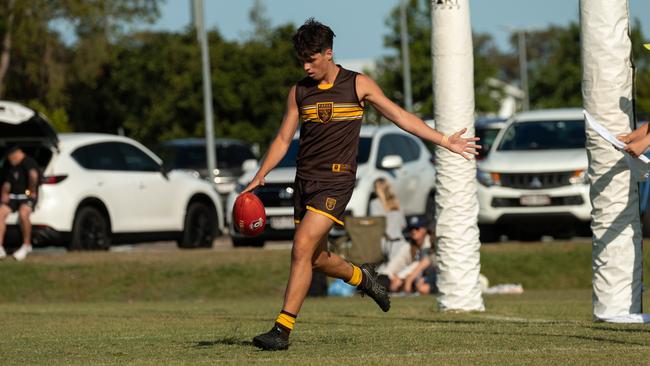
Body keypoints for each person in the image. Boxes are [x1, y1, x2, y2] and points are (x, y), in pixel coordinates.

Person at [242, 18, 480, 351]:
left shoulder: (358, 85)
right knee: (316, 258)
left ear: (329, 53)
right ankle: (363, 277)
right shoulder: (299, 92)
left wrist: (444, 140)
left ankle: (281, 330)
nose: (307, 66)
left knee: (301, 246)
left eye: (312, 59)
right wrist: (261, 173)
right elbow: (284, 138)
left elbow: (399, 116)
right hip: (304, 181)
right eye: (302, 61)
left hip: (336, 180)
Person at [0, 147, 41, 261]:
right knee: (1, 213)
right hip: (13, 197)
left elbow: (33, 175)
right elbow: (7, 182)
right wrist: (4, 193)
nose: (10, 160)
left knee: (23, 214)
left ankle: (26, 245)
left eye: (11, 157)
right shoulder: (10, 165)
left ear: (18, 154)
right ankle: (0, 247)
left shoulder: (28, 162)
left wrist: (32, 190)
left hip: (26, 196)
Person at [369, 178, 408, 259]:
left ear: (377, 190)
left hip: (384, 245)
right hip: (400, 243)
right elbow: (403, 225)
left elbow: (375, 225)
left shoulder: (374, 203)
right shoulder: (397, 203)